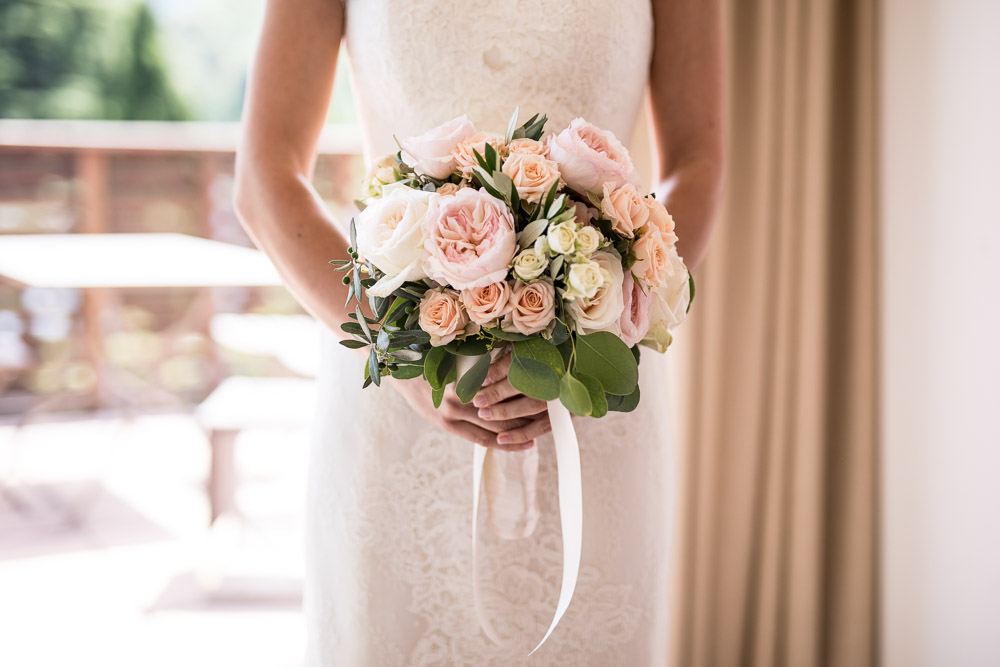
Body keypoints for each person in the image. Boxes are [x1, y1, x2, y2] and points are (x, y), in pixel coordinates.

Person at [234, 0, 722, 663]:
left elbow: (699, 163)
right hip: (398, 385)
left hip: (596, 387)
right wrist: (395, 350)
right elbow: (264, 180)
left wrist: (605, 322)